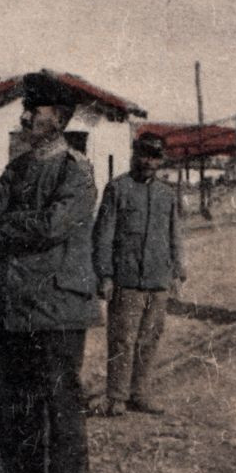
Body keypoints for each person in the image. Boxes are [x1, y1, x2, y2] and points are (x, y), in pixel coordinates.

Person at [0, 71, 101, 473]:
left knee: (61, 412)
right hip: (11, 306)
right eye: (27, 109)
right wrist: (15, 226)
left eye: (37, 110)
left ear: (62, 118)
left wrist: (12, 224)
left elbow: (54, 225)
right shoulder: (17, 168)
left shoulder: (77, 171)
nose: (27, 117)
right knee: (14, 410)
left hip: (56, 311)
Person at [93, 133, 185, 417]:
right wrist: (105, 275)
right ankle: (117, 396)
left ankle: (139, 393)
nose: (149, 162)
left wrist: (178, 273)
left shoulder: (167, 194)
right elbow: (103, 236)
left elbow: (175, 235)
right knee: (122, 339)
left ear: (162, 160)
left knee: (150, 338)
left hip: (158, 280)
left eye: (155, 157)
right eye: (144, 155)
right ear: (134, 155)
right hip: (127, 279)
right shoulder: (117, 189)